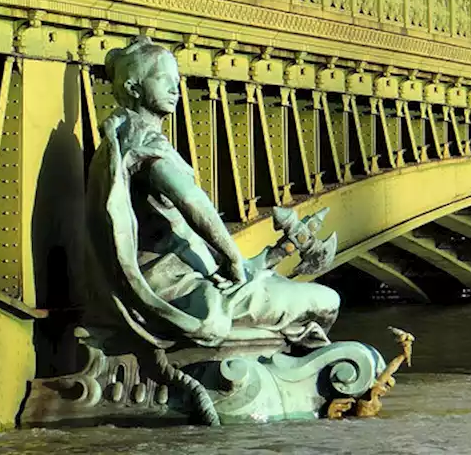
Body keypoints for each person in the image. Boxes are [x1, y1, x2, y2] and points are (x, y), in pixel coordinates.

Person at [78, 36, 340, 350]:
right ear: (134, 88)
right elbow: (191, 201)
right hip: (180, 290)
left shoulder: (124, 139)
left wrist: (269, 255)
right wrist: (232, 258)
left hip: (183, 274)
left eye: (177, 81)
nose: (176, 89)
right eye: (164, 81)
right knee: (327, 302)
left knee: (311, 306)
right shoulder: (144, 146)